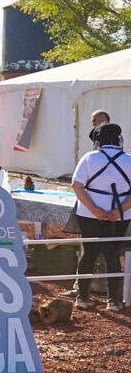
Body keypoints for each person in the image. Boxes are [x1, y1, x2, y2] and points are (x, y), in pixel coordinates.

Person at [70, 123, 131, 312]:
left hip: (88, 214)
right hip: (120, 215)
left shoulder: (89, 158)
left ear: (98, 141)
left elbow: (76, 185)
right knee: (112, 254)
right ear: (119, 140)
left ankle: (82, 297)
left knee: (89, 252)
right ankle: (113, 301)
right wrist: (117, 210)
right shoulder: (129, 160)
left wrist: (95, 209)